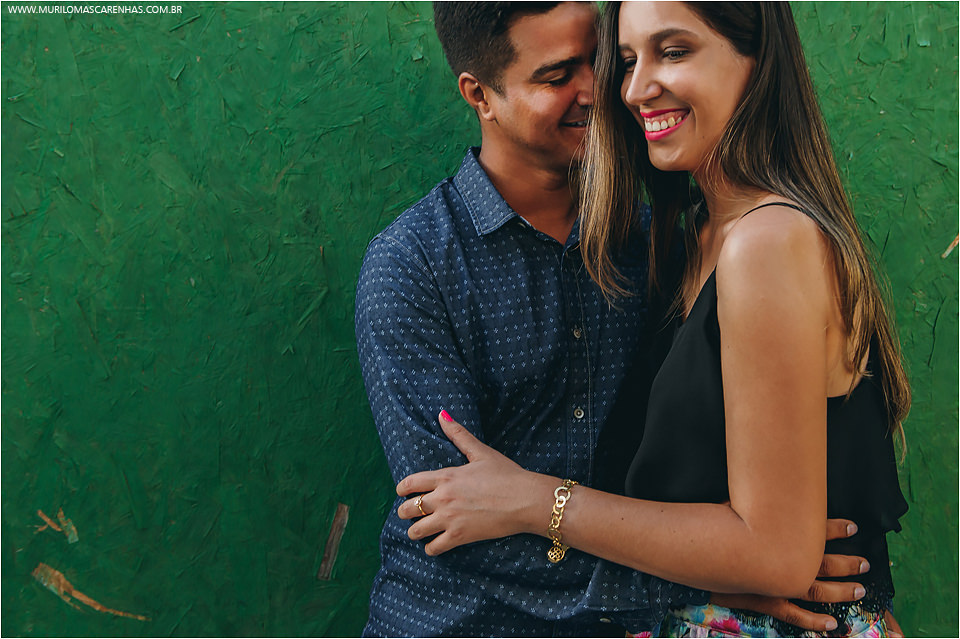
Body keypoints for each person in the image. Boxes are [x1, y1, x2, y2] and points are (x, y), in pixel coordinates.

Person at [394, 2, 909, 637]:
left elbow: (775, 555)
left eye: (673, 52)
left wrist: (537, 502)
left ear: (757, 59)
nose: (629, 91)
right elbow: (451, 515)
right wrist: (716, 575)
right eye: (630, 61)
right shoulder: (680, 239)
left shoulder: (762, 243)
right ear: (481, 95)